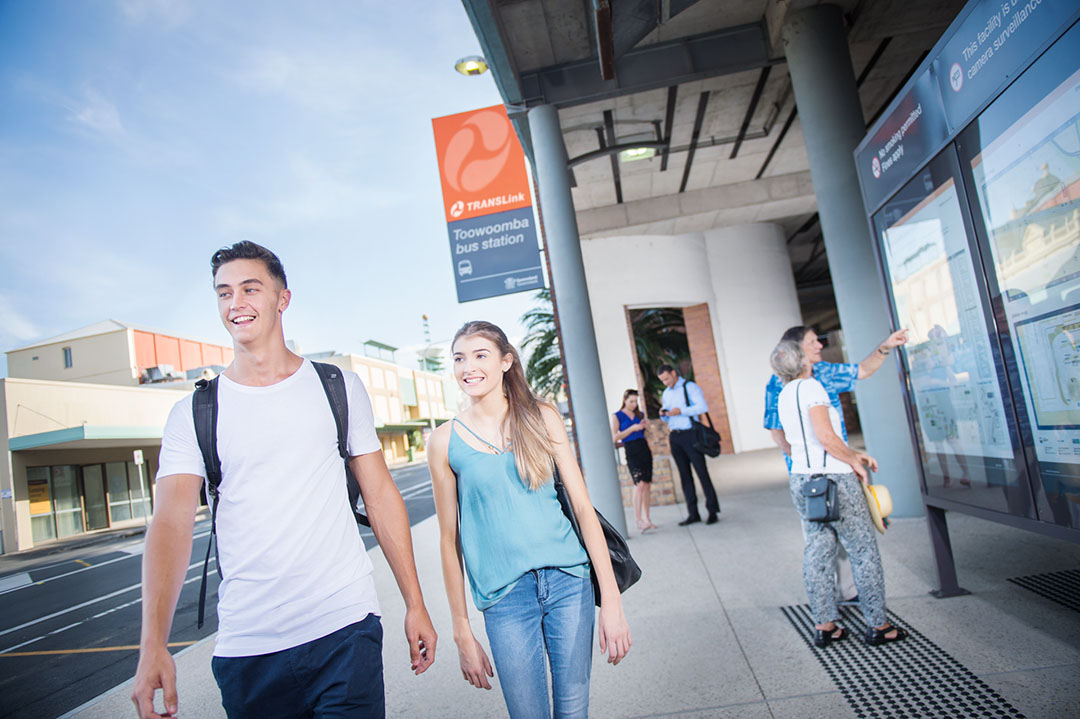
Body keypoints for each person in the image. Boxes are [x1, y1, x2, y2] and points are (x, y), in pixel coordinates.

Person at [132, 242, 437, 719]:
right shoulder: (192, 414)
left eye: (250, 289)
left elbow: (379, 497)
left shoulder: (338, 386)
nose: (236, 304)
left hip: (345, 628)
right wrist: (153, 645)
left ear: (282, 298)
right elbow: (170, 524)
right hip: (249, 649)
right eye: (224, 293)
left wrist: (414, 603)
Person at [427, 321, 631, 719]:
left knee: (573, 713)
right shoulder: (443, 441)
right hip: (505, 598)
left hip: (568, 583)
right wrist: (461, 629)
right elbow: (449, 542)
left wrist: (612, 601)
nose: (468, 366)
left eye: (480, 355)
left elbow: (584, 509)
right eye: (459, 358)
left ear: (506, 361)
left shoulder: (541, 417)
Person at [770, 340, 907, 648]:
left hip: (803, 479)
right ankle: (878, 625)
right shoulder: (812, 388)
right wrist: (853, 460)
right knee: (863, 550)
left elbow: (803, 441)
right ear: (803, 361)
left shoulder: (784, 394)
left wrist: (848, 454)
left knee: (818, 552)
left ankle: (825, 624)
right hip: (835, 480)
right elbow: (827, 436)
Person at [657, 364, 720, 526]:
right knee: (685, 476)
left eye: (666, 378)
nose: (665, 382)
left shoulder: (690, 387)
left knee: (702, 473)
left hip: (691, 435)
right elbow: (668, 416)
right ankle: (693, 513)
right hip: (675, 437)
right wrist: (664, 414)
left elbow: (702, 407)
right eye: (662, 380)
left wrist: (681, 411)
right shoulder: (666, 393)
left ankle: (712, 510)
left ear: (673, 373)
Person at [611, 389, 657, 533]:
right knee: (640, 484)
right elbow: (614, 437)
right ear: (624, 400)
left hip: (644, 448)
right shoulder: (617, 416)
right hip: (631, 450)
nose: (634, 404)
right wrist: (632, 428)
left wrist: (645, 426)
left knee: (647, 485)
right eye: (631, 401)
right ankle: (638, 519)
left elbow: (644, 433)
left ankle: (647, 518)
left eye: (636, 401)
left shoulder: (640, 414)